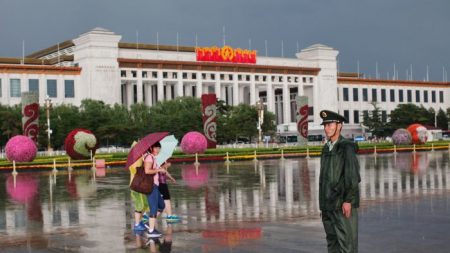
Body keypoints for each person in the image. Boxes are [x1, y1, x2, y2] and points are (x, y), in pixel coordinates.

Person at [319, 110, 361, 253]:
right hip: (328, 206)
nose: (327, 128)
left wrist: (348, 200)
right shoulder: (326, 148)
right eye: (325, 125)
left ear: (340, 125)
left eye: (330, 124)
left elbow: (352, 176)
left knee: (347, 245)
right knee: (332, 244)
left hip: (342, 204)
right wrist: (323, 206)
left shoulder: (346, 146)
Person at [144, 142, 168, 238]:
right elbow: (147, 171)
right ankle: (151, 231)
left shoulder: (154, 158)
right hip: (151, 186)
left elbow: (155, 169)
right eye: (156, 148)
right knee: (153, 208)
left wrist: (162, 168)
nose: (158, 150)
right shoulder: (149, 157)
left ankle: (150, 223)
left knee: (161, 206)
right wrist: (159, 170)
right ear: (151, 148)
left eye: (159, 148)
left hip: (156, 186)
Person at [129, 142, 150, 232]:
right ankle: (137, 224)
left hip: (138, 184)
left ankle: (139, 222)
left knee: (143, 204)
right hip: (137, 185)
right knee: (139, 205)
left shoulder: (135, 158)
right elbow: (137, 170)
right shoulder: (137, 159)